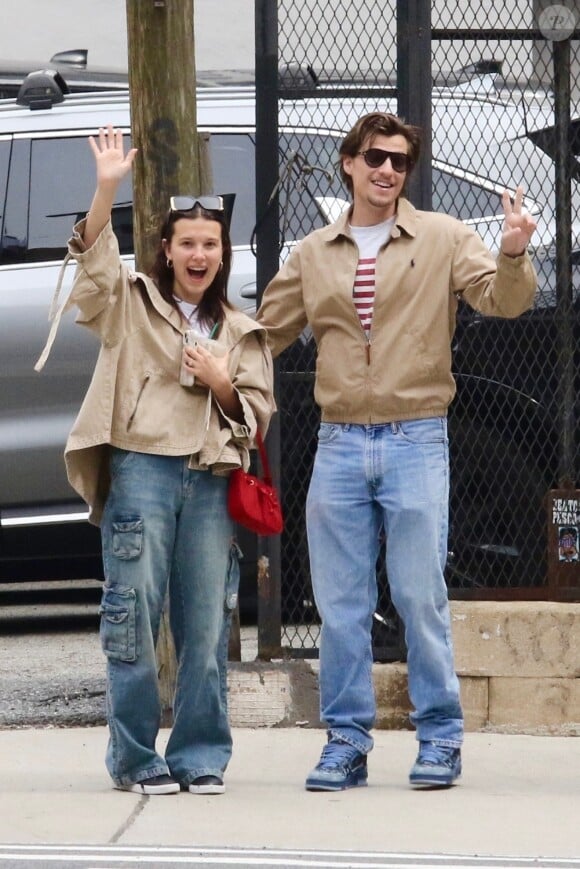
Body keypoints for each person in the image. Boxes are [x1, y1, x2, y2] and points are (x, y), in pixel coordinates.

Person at [256, 111, 537, 791]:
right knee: (342, 603)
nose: (387, 170)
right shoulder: (315, 251)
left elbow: (504, 302)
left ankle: (440, 736)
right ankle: (345, 742)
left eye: (400, 161)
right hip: (341, 440)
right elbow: (264, 332)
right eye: (376, 157)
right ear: (349, 163)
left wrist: (513, 250)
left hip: (417, 435)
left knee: (419, 595)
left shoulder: (441, 235)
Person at [35, 125, 275, 796]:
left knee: (205, 625)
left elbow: (257, 417)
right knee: (132, 618)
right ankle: (135, 756)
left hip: (207, 480)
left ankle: (200, 755)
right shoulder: (133, 302)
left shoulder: (241, 329)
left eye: (210, 243)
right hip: (141, 470)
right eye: (187, 243)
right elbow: (94, 275)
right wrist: (106, 187)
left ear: (224, 253)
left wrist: (223, 378)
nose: (199, 253)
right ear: (165, 251)